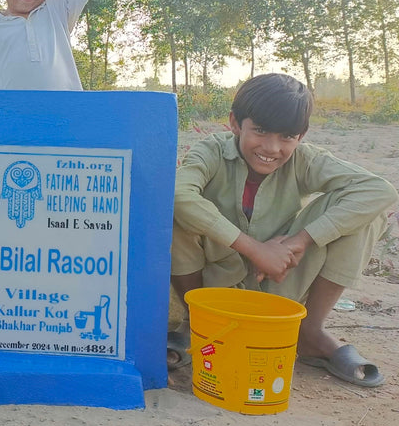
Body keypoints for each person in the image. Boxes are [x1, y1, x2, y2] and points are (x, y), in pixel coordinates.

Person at [169, 73, 397, 387]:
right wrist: (254, 249)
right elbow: (179, 195)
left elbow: (378, 190)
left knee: (364, 213)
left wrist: (300, 241)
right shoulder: (212, 151)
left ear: (301, 136)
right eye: (260, 131)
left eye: (287, 137)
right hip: (213, 288)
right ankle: (196, 321)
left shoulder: (304, 161)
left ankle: (309, 332)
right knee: (176, 211)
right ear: (235, 123)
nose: (271, 148)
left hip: (277, 280)